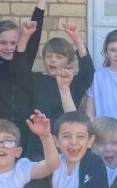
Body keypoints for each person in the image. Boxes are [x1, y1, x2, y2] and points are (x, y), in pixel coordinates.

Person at [0, 0, 54, 123]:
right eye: (3, 43)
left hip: (25, 129)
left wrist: (42, 0)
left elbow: (34, 33)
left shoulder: (24, 61)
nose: (9, 47)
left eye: (14, 43)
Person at [16, 22, 94, 159]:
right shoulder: (37, 81)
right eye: (48, 56)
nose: (52, 60)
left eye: (59, 57)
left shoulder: (74, 83)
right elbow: (18, 69)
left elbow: (88, 71)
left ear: (69, 63)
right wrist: (24, 37)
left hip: (67, 147)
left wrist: (76, 39)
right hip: (37, 147)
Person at [46, 111, 109, 188]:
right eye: (66, 136)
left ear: (90, 141)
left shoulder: (95, 163)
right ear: (56, 141)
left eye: (80, 136)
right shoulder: (48, 163)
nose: (73, 142)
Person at [85, 28, 117, 123]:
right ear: (106, 53)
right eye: (113, 50)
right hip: (102, 135)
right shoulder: (98, 76)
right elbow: (89, 113)